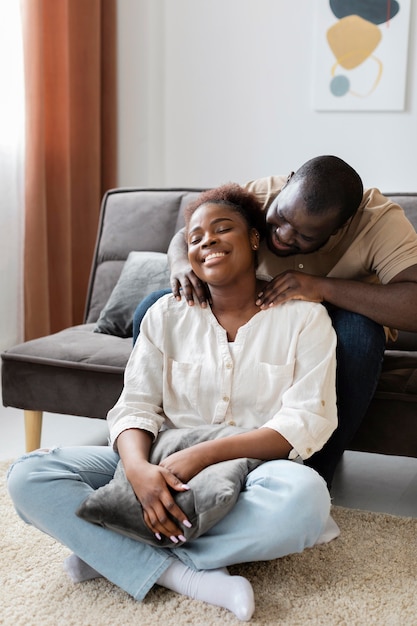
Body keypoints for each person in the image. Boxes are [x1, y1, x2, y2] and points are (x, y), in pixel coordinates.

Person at [8, 184, 338, 622]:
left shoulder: (304, 318)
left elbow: (305, 422)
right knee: (29, 475)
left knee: (306, 500)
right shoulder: (165, 314)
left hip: (252, 469)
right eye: (196, 238)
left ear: (255, 238)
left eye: (223, 229)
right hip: (161, 457)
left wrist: (200, 455)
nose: (208, 242)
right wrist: (138, 470)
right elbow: (134, 406)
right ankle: (185, 575)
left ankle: (111, 553)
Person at [133, 155, 417, 488]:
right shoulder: (259, 193)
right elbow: (191, 232)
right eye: (279, 218)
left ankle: (313, 473)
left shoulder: (379, 222)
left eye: (304, 236)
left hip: (339, 318)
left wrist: (319, 287)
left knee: (360, 333)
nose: (282, 235)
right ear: (287, 183)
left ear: (341, 227)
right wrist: (179, 262)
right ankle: (170, 448)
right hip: (265, 316)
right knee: (154, 306)